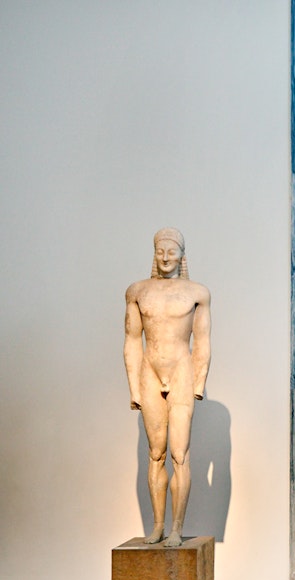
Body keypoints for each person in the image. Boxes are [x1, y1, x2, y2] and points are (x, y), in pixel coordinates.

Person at [124, 227, 211, 548]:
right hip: (150, 370)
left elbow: (202, 342)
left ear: (181, 255)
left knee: (179, 453)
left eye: (171, 251)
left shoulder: (197, 293)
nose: (165, 257)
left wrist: (199, 383)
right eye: (160, 251)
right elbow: (132, 341)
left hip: (181, 373)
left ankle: (177, 527)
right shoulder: (138, 291)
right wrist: (134, 387)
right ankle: (158, 525)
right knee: (156, 453)